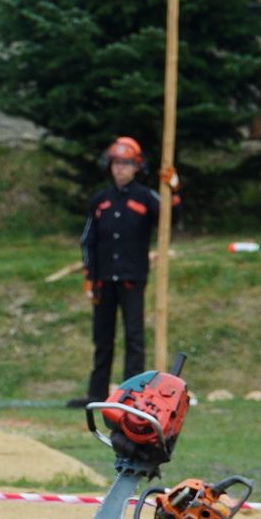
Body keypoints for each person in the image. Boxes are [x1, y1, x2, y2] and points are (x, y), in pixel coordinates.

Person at [71, 136, 180, 408]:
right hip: (103, 280)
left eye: (126, 164)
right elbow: (88, 240)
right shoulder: (100, 201)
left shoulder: (146, 197)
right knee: (102, 339)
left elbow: (170, 218)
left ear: (136, 167)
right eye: (116, 163)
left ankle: (131, 396)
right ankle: (96, 394)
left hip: (133, 278)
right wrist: (89, 277)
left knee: (134, 338)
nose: (120, 169)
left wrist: (174, 188)